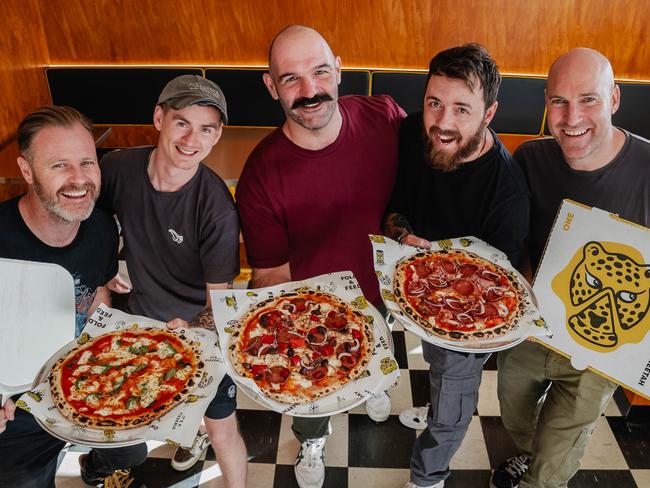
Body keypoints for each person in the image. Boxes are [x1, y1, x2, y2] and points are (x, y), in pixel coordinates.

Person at [236, 25, 405, 488]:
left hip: (386, 294)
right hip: (311, 315)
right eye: (291, 79)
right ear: (271, 86)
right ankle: (312, 435)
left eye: (320, 72)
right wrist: (294, 340)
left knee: (380, 353)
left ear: (339, 71)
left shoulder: (386, 116)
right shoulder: (260, 176)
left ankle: (375, 383)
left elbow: (423, 183)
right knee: (310, 397)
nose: (310, 92)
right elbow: (270, 273)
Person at [490, 48, 650, 488]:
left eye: (589, 99)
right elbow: (514, 243)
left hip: (601, 353)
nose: (571, 116)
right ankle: (530, 453)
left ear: (614, 99)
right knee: (515, 413)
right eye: (559, 101)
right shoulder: (530, 160)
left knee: (558, 451)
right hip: (533, 327)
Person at [383, 44, 529, 488]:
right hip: (415, 288)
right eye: (434, 103)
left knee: (452, 401)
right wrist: (402, 235)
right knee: (430, 358)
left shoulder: (507, 193)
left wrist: (451, 299)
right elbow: (396, 207)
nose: (442, 123)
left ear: (489, 113)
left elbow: (498, 295)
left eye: (462, 109)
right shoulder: (414, 133)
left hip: (470, 318)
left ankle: (428, 479)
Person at [98, 75, 247, 487]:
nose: (191, 139)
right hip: (139, 321)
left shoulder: (216, 209)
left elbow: (221, 306)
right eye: (182, 122)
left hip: (197, 330)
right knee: (124, 412)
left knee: (222, 430)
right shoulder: (117, 168)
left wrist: (189, 332)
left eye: (206, 129)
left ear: (217, 136)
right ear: (159, 117)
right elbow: (88, 223)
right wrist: (103, 265)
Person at [0, 106, 147, 487]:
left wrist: (104, 354)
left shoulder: (98, 228)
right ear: (27, 170)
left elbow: (98, 290)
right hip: (16, 409)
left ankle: (92, 471)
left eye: (87, 161)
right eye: (59, 165)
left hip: (82, 384)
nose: (79, 179)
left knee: (133, 451)